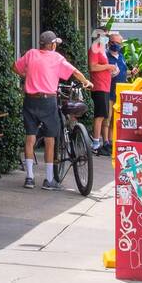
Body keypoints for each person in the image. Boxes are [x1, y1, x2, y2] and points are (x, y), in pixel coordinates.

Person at [13, 31, 93, 191]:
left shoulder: (31, 54)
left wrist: (26, 75)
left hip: (30, 100)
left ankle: (29, 178)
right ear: (52, 45)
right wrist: (87, 82)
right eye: (55, 43)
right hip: (48, 101)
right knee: (50, 140)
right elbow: (75, 72)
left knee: (30, 139)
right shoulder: (57, 58)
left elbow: (14, 67)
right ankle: (49, 180)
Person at [88, 29, 119, 154]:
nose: (107, 37)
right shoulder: (95, 48)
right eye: (105, 35)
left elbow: (101, 67)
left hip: (105, 85)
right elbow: (93, 66)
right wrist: (108, 67)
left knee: (103, 115)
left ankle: (98, 141)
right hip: (99, 86)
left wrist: (110, 71)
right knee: (99, 115)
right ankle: (95, 143)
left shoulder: (102, 49)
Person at [104, 31, 128, 155]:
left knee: (116, 119)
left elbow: (124, 72)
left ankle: (113, 141)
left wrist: (131, 72)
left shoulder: (122, 57)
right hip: (109, 90)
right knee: (107, 117)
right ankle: (106, 142)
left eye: (118, 43)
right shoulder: (105, 56)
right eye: (113, 42)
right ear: (109, 43)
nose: (116, 45)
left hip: (120, 91)